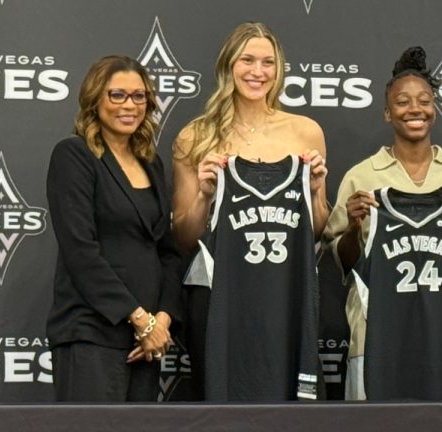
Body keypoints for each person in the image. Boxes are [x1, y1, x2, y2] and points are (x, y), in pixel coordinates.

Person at [171, 22, 328, 401]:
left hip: (285, 291)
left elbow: (318, 229)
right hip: (220, 295)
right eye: (247, 60)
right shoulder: (195, 136)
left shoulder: (305, 131)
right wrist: (205, 196)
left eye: (268, 63)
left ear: (279, 70)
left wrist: (315, 190)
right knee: (222, 403)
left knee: (293, 406)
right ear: (228, 65)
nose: (258, 72)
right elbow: (183, 237)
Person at [323, 46, 442, 400]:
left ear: (435, 108)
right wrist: (353, 228)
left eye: (424, 101)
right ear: (387, 112)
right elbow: (344, 262)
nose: (415, 109)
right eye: (402, 102)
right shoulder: (361, 176)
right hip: (377, 337)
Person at [46, 55, 181, 402]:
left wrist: (161, 321)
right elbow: (81, 252)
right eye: (117, 95)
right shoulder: (74, 155)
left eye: (139, 97)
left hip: (145, 343)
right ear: (95, 100)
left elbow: (166, 250)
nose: (129, 105)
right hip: (92, 334)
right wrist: (140, 320)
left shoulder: (151, 163)